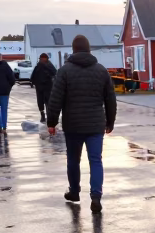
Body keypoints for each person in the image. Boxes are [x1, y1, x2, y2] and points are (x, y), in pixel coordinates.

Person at [46, 35, 117, 214]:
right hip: (95, 125)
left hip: (73, 124)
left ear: (73, 49)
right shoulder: (101, 71)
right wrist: (110, 121)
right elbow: (110, 99)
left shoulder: (64, 71)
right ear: (89, 49)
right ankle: (96, 196)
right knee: (95, 160)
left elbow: (55, 99)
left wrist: (52, 122)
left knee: (73, 160)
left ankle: (75, 192)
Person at [30, 52, 57, 123]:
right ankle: (42, 115)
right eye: (40, 59)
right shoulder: (38, 66)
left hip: (47, 86)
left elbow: (55, 73)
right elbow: (33, 75)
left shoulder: (49, 65)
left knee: (48, 101)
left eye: (42, 59)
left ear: (46, 59)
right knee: (40, 102)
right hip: (39, 87)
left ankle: (48, 115)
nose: (41, 60)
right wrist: (32, 82)